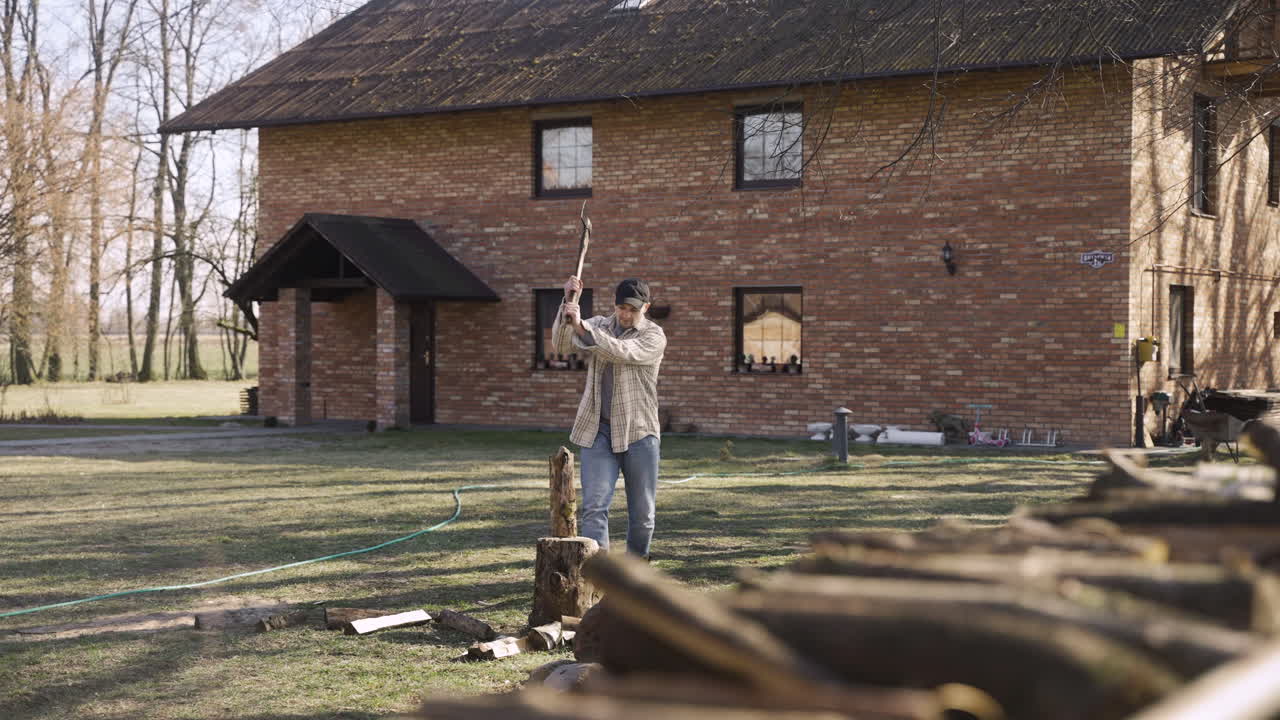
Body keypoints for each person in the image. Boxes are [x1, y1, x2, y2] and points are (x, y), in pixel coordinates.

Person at [552, 276, 667, 558]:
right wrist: (569, 302)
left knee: (643, 516)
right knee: (594, 508)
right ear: (614, 305)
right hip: (598, 431)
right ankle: (599, 578)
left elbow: (621, 352)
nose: (626, 315)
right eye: (621, 308)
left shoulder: (653, 336)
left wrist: (580, 326)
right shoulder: (600, 324)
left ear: (646, 307)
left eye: (633, 309)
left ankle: (635, 576)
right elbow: (561, 344)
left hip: (639, 432)